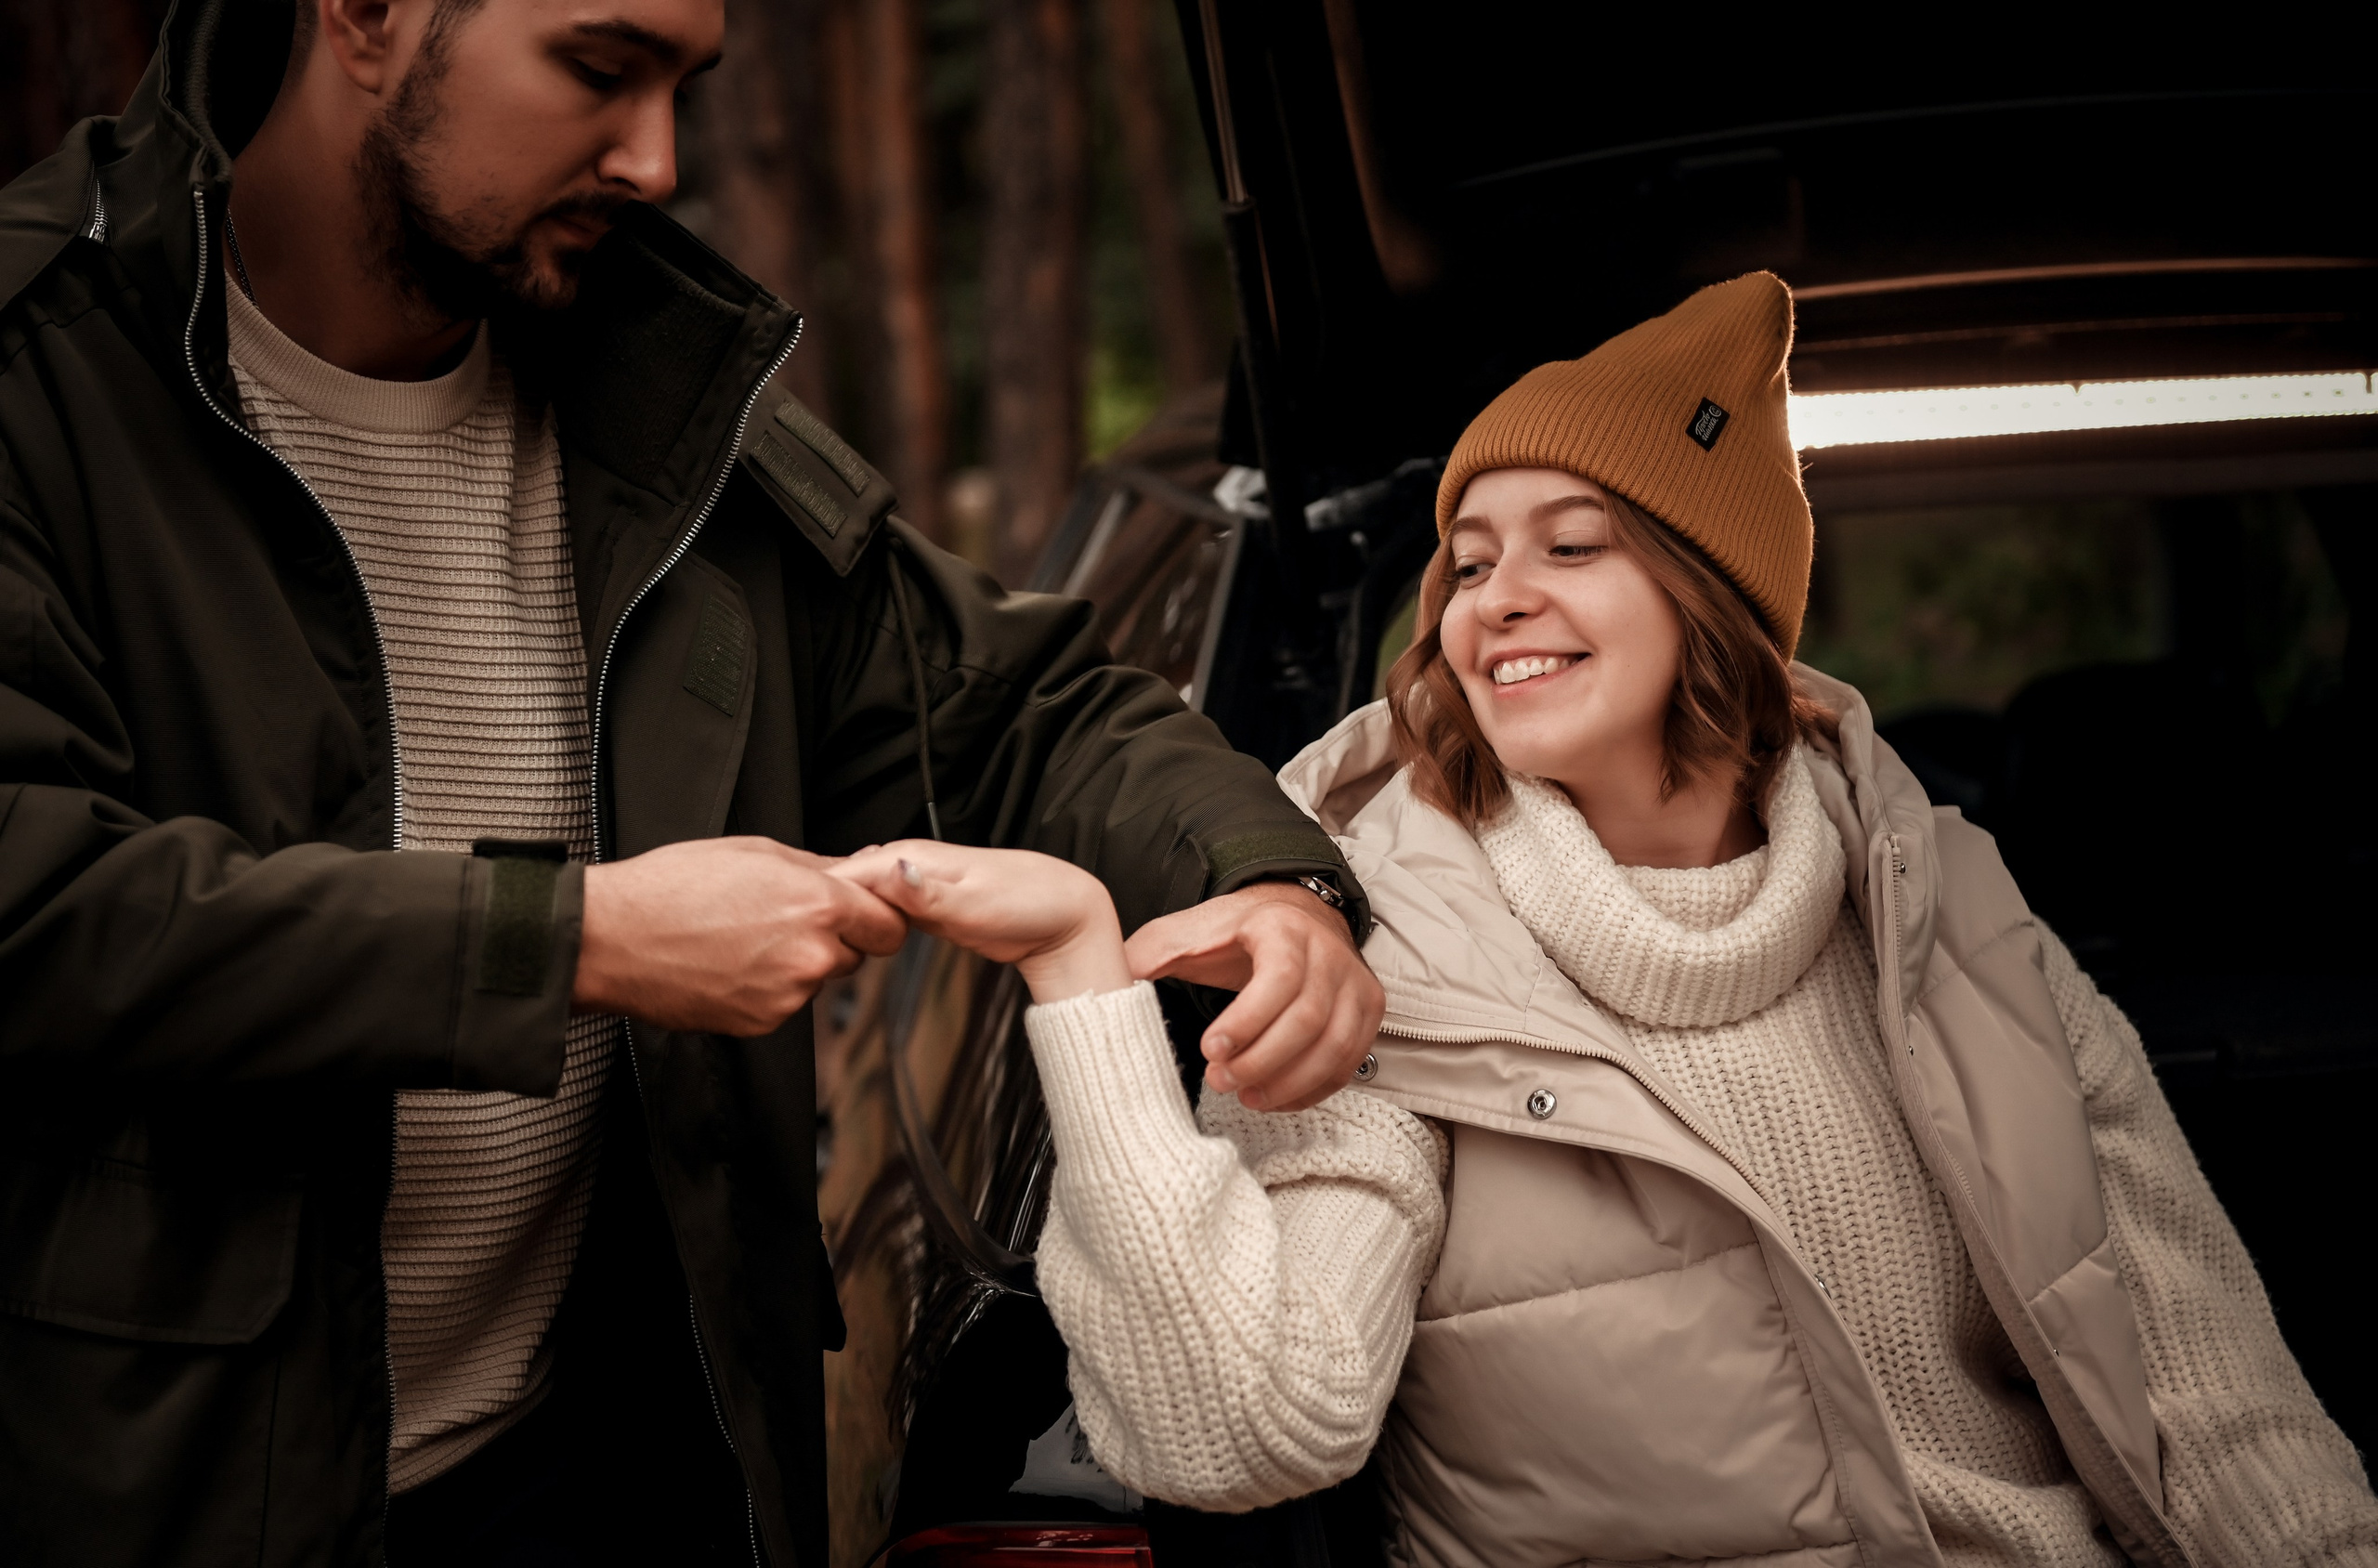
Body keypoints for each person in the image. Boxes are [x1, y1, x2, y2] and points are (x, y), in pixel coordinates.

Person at [0, 1, 1381, 1563]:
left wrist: (1272, 882)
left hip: (590, 1481)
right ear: (366, 18)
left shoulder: (658, 415)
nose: (657, 161)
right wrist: (573, 939)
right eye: (599, 70)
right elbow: (35, 899)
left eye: (684, 88)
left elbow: (1026, 708)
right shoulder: (38, 375)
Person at [838, 274, 2378, 1566]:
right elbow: (1237, 1430)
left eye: (1573, 546)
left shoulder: (1950, 910)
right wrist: (1080, 974)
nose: (1494, 596)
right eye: (1469, 559)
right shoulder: (1381, 961)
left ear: (1716, 603)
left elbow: (2213, 1397)